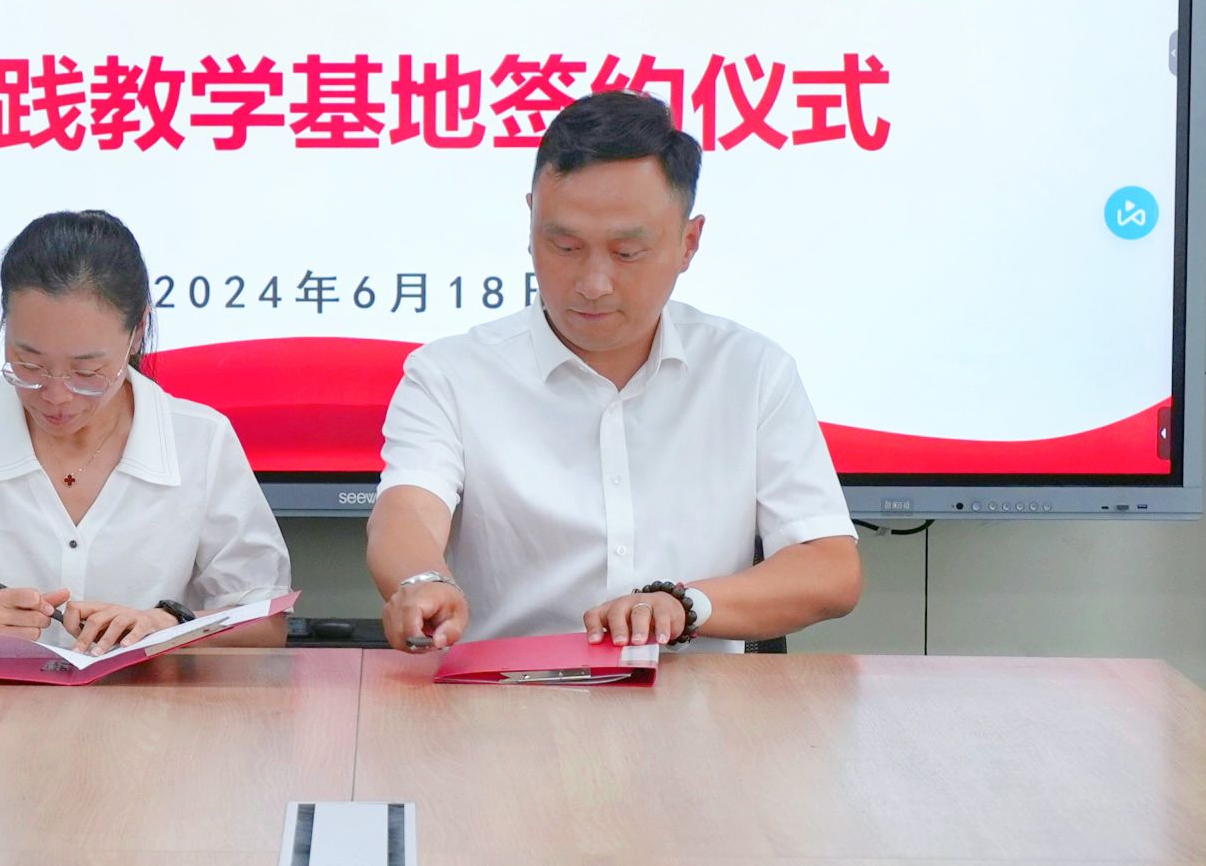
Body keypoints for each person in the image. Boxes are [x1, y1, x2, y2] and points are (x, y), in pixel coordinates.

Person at [369, 88, 863, 651]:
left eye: (627, 253)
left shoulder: (750, 371)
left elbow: (828, 566)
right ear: (530, 222)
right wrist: (421, 581)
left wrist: (685, 604)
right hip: (506, 691)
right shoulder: (450, 374)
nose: (593, 284)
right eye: (565, 246)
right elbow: (407, 509)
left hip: (698, 696)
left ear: (688, 243)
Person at [0, 208, 289, 653]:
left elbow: (265, 619)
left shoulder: (200, 440)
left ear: (137, 332)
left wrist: (168, 625)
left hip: (146, 709)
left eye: (87, 372)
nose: (57, 395)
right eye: (29, 365)